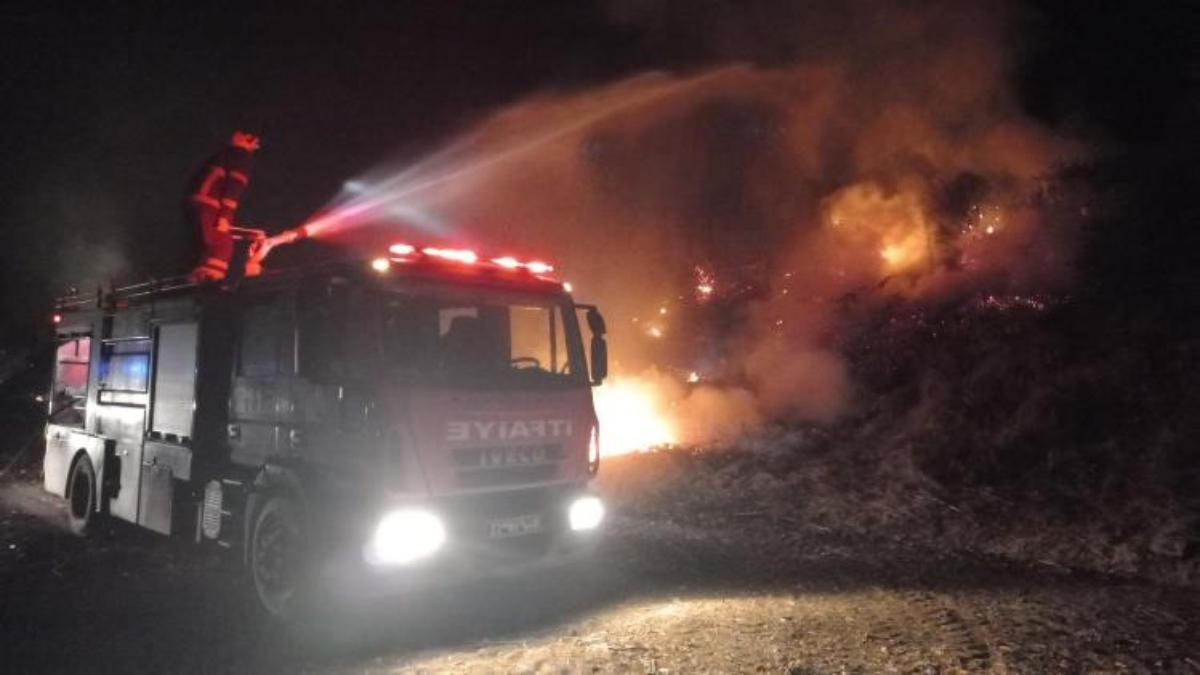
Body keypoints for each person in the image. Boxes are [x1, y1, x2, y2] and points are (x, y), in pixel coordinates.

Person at [186, 131, 260, 282]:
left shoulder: (224, 155)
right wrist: (225, 217)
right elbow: (233, 189)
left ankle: (198, 279)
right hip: (207, 204)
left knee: (210, 245)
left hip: (196, 203)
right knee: (223, 244)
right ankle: (211, 283)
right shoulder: (241, 157)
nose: (257, 144)